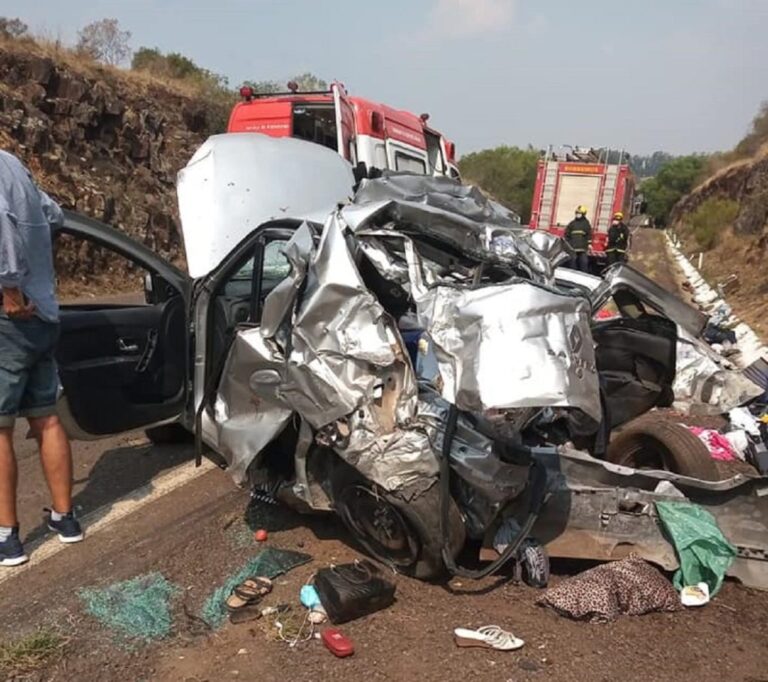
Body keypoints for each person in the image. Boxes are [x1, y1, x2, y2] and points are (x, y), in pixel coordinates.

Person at [0, 150, 83, 567]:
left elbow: (2, 226)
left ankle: (6, 537)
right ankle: (65, 518)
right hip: (44, 313)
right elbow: (53, 215)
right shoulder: (14, 165)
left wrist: (10, 288)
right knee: (46, 417)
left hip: (10, 316)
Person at [564, 205, 592, 272]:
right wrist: (567, 243)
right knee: (572, 262)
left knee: (584, 262)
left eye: (579, 213)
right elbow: (567, 234)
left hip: (582, 248)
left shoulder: (586, 223)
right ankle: (572, 273)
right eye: (577, 213)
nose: (578, 215)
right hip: (573, 247)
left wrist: (589, 244)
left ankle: (584, 274)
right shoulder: (572, 223)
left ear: (583, 214)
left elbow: (589, 234)